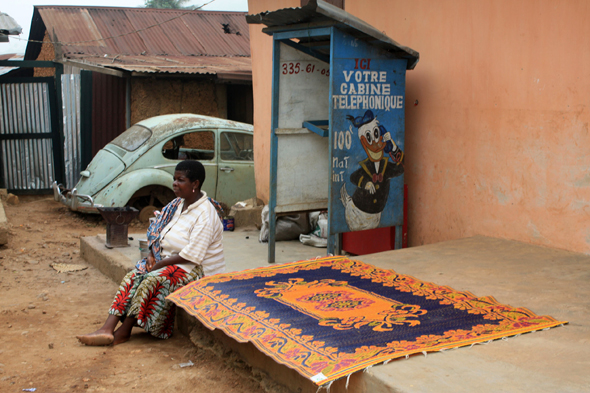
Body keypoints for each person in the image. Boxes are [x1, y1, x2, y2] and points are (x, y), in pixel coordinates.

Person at [77, 160, 224, 346]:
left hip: (196, 268)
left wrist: (160, 264)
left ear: (195, 184)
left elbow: (192, 256)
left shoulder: (205, 213)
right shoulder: (177, 205)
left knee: (152, 279)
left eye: (181, 180)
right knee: (134, 275)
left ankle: (124, 331)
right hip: (171, 261)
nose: (175, 183)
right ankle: (107, 327)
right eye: (174, 179)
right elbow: (159, 232)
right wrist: (152, 255)